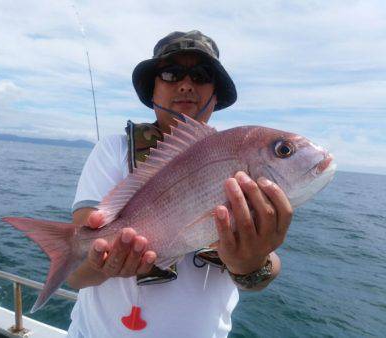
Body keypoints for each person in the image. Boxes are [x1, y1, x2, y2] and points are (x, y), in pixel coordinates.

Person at [66, 30, 293, 338]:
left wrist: (252, 263)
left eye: (201, 75)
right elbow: (76, 276)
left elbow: (264, 272)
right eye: (171, 73)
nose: (186, 84)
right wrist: (104, 264)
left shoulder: (239, 160)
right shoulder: (113, 150)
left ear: (215, 94)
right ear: (153, 90)